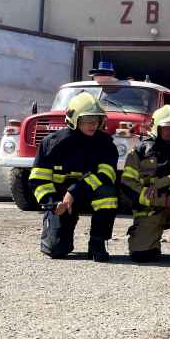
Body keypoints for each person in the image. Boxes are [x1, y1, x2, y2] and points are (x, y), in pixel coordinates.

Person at [29, 91, 119, 262]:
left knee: (107, 194)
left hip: (88, 195)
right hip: (60, 201)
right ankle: (61, 229)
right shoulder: (52, 143)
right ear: (74, 119)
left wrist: (74, 191)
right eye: (87, 120)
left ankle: (97, 244)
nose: (93, 124)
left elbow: (106, 176)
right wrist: (52, 202)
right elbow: (38, 180)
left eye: (97, 119)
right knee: (56, 250)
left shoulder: (105, 144)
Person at [120, 105, 170, 265]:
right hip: (149, 207)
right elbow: (127, 184)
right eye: (166, 128)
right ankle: (150, 244)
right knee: (142, 256)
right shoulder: (139, 151)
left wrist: (167, 182)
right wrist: (156, 200)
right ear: (156, 128)